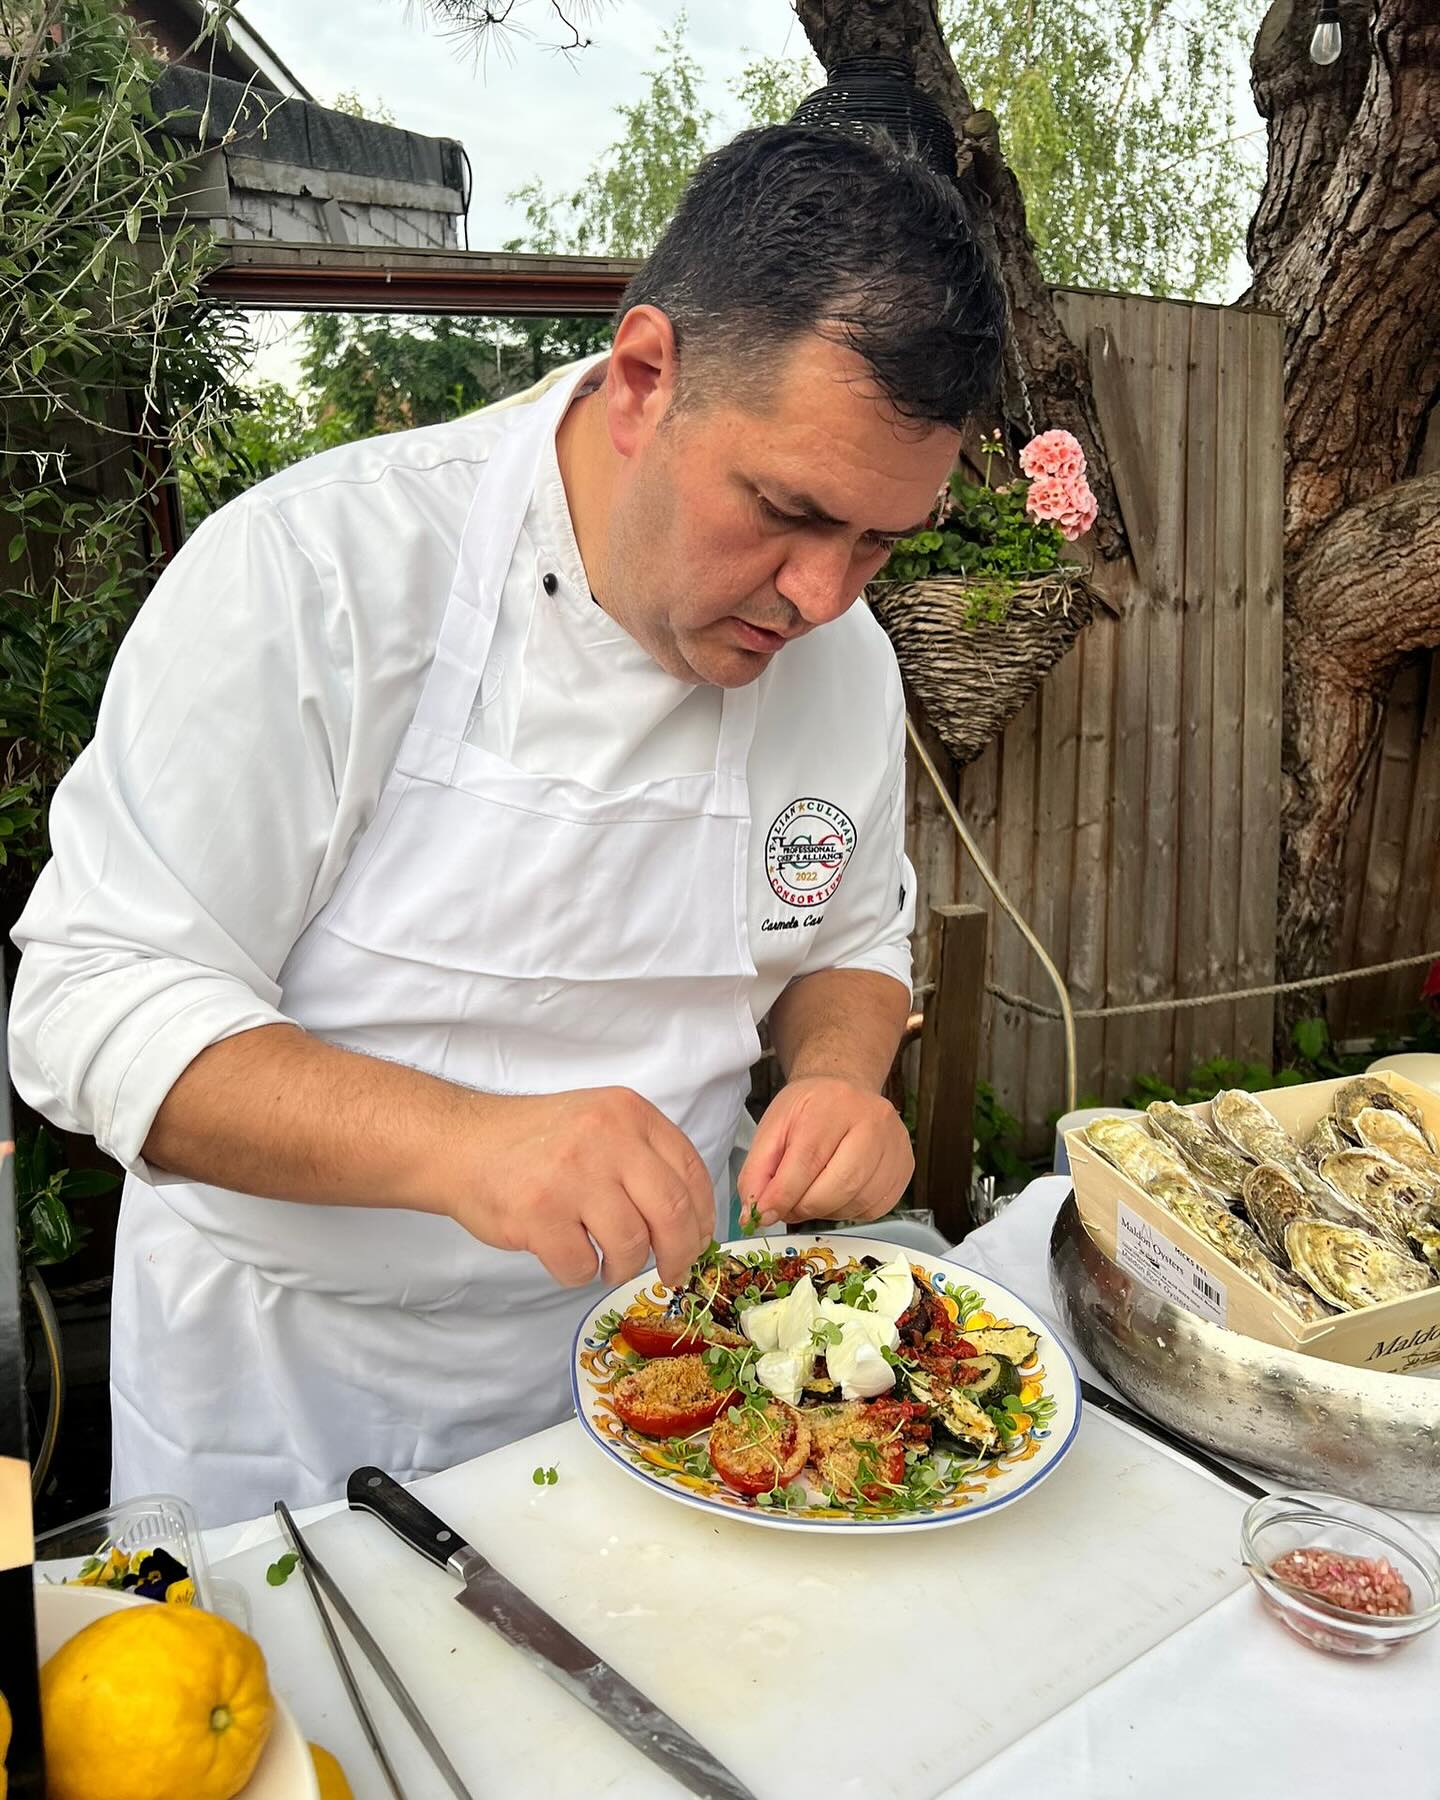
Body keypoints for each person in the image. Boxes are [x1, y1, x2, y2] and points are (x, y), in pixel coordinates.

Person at [8, 123, 1004, 1525]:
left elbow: (847, 939)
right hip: (286, 1406)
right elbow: (91, 1003)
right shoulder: (321, 576)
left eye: (881, 542)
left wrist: (840, 1077)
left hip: (671, 1384)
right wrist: (471, 1144)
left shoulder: (844, 666)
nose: (823, 595)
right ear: (645, 380)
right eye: (790, 510)